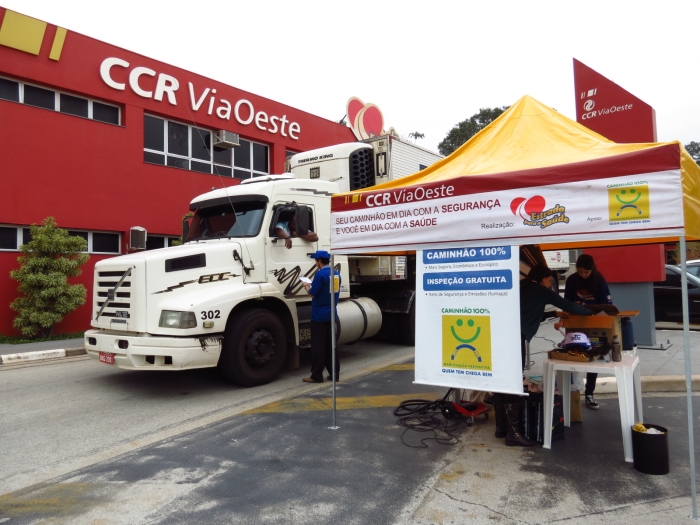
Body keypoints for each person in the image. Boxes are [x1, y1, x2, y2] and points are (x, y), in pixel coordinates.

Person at [492, 264, 592, 447]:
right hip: (514, 338)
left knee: (501, 380)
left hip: (499, 336)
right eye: (549, 279)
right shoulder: (539, 289)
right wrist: (591, 311)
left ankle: (502, 429)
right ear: (544, 278)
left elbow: (529, 311)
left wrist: (554, 313)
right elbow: (568, 304)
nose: (549, 283)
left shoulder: (522, 287)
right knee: (513, 381)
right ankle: (513, 434)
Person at [561, 254, 613, 410]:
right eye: (580, 271)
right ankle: (571, 392)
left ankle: (590, 393)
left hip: (595, 324)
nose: (582, 275)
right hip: (575, 323)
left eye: (586, 272)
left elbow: (607, 306)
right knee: (572, 355)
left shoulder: (600, 282)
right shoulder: (571, 280)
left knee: (593, 358)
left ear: (592, 270)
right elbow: (566, 303)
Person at [301, 250, 340, 383]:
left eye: (316, 261)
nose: (315, 263)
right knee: (331, 345)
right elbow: (332, 291)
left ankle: (317, 376)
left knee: (318, 347)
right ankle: (335, 374)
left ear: (319, 261)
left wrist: (306, 286)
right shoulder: (336, 274)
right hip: (332, 314)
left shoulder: (320, 274)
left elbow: (313, 294)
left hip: (319, 316)